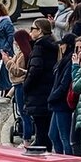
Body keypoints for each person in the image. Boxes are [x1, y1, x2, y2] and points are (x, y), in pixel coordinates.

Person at [23, 18, 57, 149]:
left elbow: (35, 70)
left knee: (40, 131)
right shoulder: (52, 45)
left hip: (38, 93)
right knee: (46, 129)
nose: (30, 31)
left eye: (33, 29)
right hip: (48, 90)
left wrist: (26, 85)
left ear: (40, 31)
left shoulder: (39, 46)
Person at [2, 30, 33, 143]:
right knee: (23, 112)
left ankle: (27, 138)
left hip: (20, 85)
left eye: (16, 40)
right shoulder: (21, 53)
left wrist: (7, 61)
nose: (14, 43)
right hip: (18, 85)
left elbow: (16, 71)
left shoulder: (23, 54)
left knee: (23, 113)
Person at [47, 33, 76, 154]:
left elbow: (64, 84)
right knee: (53, 135)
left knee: (64, 136)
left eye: (62, 44)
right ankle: (59, 157)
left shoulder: (69, 62)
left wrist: (52, 97)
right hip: (57, 102)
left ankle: (67, 161)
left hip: (62, 103)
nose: (61, 47)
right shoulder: (64, 60)